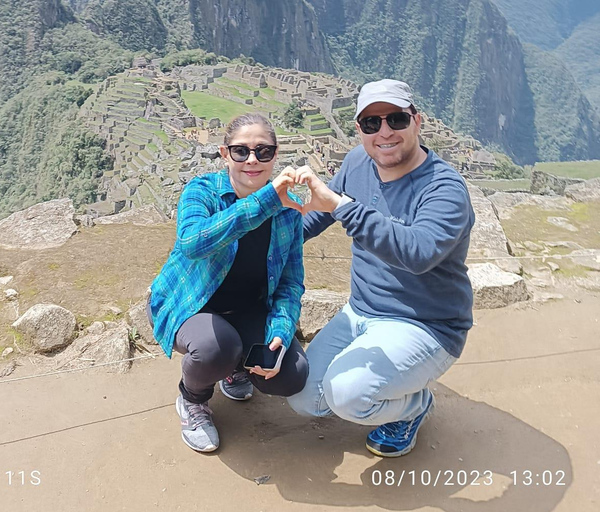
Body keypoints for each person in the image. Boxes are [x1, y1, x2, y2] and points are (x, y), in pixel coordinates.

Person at [286, 79, 475, 457]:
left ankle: (413, 407)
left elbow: (418, 252)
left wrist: (342, 207)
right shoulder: (359, 162)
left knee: (346, 395)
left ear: (416, 121)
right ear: (360, 130)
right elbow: (317, 217)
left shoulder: (444, 189)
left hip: (426, 325)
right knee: (304, 398)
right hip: (360, 312)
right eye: (372, 124)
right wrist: (261, 242)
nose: (384, 132)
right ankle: (384, 386)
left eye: (396, 119)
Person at [147, 113, 310, 453]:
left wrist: (281, 328)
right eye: (241, 151)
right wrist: (265, 201)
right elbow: (193, 242)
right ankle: (193, 399)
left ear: (275, 155)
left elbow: (291, 282)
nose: (252, 160)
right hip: (190, 305)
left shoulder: (289, 212)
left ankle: (235, 369)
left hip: (248, 309)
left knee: (291, 373)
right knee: (214, 349)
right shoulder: (202, 192)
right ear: (225, 154)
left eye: (263, 152)